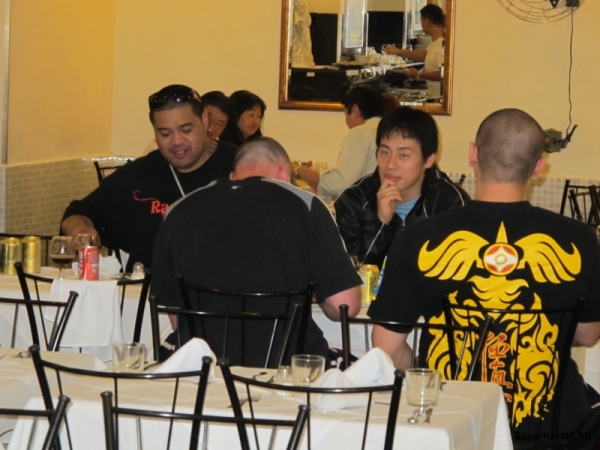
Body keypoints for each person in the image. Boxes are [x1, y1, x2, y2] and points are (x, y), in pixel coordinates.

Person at [369, 108, 600, 447]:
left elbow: (385, 348)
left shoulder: (418, 238)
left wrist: (426, 364)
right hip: (554, 432)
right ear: (538, 166)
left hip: (452, 425)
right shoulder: (580, 239)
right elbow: (589, 334)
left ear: (473, 154)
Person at [151, 136, 361, 366]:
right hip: (287, 370)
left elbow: (176, 318)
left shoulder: (178, 210)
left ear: (233, 176)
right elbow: (345, 306)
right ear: (284, 173)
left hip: (202, 371)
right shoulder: (307, 205)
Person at [61, 84, 238, 272]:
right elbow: (80, 212)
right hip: (149, 288)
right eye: (165, 133)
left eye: (186, 130)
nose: (176, 141)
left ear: (204, 120)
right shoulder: (138, 175)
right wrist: (79, 228)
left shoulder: (239, 167)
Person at [335, 106, 468, 268]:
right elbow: (349, 273)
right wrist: (381, 222)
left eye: (403, 155)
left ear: (428, 160)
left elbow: (457, 271)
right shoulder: (354, 200)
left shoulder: (450, 204)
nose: (391, 164)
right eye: (385, 152)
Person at [293, 85, 385, 202]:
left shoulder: (360, 133)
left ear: (355, 110)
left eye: (345, 114)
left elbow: (341, 185)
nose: (346, 122)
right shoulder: (388, 130)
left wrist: (297, 170)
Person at [383, 4, 445, 101]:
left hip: (438, 98)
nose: (421, 24)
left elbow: (442, 74)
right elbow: (425, 55)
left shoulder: (443, 44)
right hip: (433, 96)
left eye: (421, 21)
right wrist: (398, 51)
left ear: (427, 21)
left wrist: (418, 75)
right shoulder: (435, 43)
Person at [143, 90, 232, 154]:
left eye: (218, 125)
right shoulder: (163, 147)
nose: (210, 128)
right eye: (209, 119)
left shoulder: (224, 153)